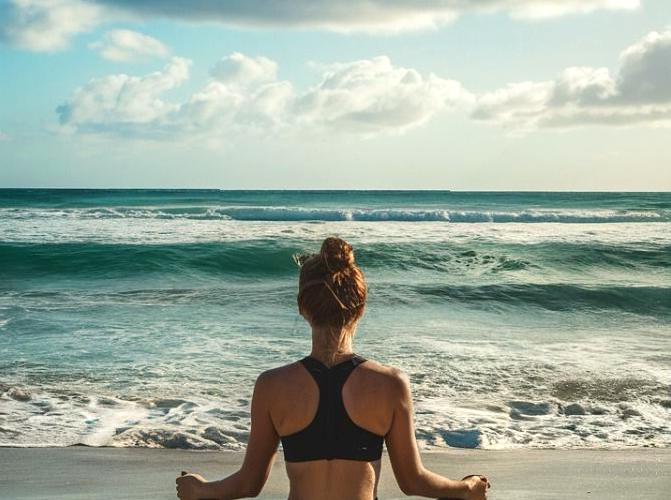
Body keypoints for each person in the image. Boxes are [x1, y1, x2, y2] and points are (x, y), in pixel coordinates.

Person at [176, 236, 490, 500]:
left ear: (302, 307)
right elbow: (413, 482)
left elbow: (248, 484)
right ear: (362, 307)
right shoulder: (391, 384)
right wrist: (468, 487)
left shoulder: (272, 385)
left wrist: (199, 489)